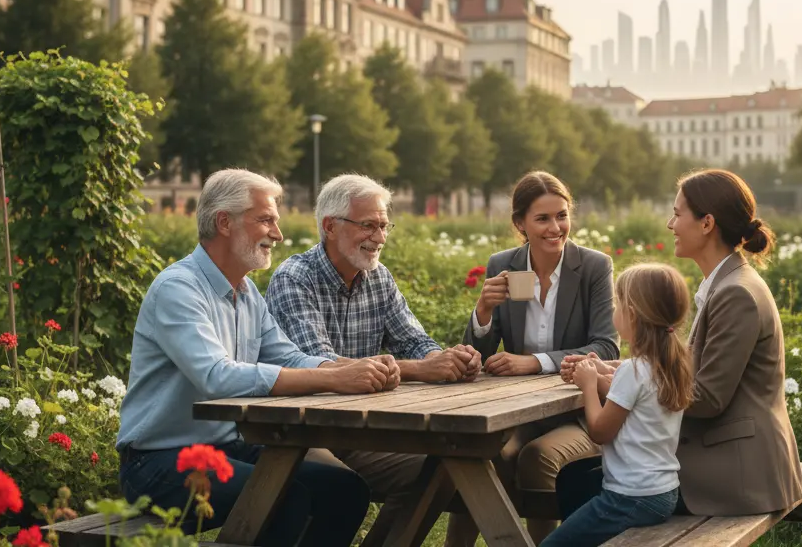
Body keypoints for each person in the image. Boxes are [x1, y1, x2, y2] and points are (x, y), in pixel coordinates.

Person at [117, 169, 400, 547]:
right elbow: (217, 377)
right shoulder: (178, 289)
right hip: (158, 461)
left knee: (344, 488)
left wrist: (348, 368)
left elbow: (290, 356)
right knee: (284, 498)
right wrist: (334, 378)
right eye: (265, 219)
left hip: (229, 446)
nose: (277, 234)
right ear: (224, 222)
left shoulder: (246, 292)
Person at [265, 173, 482, 540]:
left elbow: (414, 341)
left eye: (384, 226)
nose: (380, 237)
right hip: (302, 434)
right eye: (368, 225)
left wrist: (449, 360)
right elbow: (320, 363)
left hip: (361, 431)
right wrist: (423, 369)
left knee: (440, 471)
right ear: (330, 226)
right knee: (342, 486)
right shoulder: (294, 278)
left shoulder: (379, 277)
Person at [448, 171, 619, 545]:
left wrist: (535, 361)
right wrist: (483, 312)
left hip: (578, 409)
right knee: (481, 456)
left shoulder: (593, 267)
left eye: (562, 215)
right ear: (520, 224)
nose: (556, 227)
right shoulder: (504, 265)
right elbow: (475, 357)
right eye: (542, 218)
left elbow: (606, 347)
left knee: (537, 456)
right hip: (519, 410)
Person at [666, 168, 802, 515]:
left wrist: (631, 386)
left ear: (707, 223)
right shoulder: (727, 284)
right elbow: (694, 370)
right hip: (730, 461)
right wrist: (621, 370)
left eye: (677, 213)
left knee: (585, 484)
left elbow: (708, 398)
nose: (670, 224)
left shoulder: (736, 293)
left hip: (735, 476)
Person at [542, 263, 694, 547]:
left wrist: (589, 385)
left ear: (632, 315)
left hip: (629, 498)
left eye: (617, 304)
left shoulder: (633, 370)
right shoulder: (673, 363)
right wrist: (598, 372)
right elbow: (636, 401)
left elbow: (600, 431)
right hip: (663, 492)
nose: (614, 311)